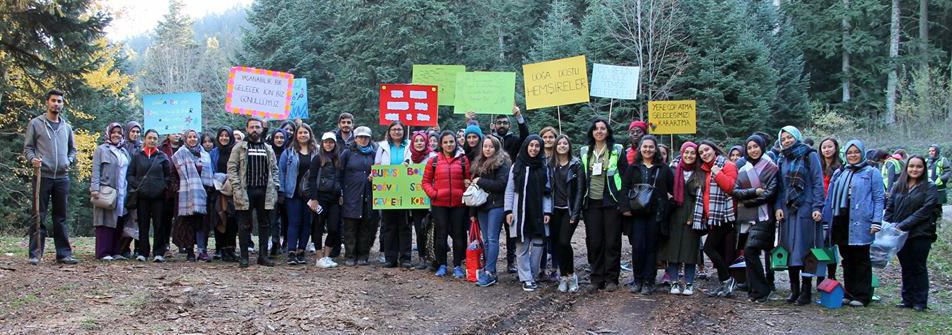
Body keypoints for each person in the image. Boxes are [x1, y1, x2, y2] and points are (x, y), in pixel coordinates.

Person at [822, 139, 883, 307]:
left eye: (856, 152)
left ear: (862, 153)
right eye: (850, 152)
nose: (853, 155)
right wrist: (826, 219)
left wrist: (876, 220)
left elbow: (878, 198)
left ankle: (862, 295)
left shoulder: (871, 172)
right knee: (847, 258)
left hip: (861, 221)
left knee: (861, 258)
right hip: (841, 220)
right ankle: (849, 292)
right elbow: (830, 198)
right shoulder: (840, 173)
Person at [24, 89, 79, 265]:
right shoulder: (35, 124)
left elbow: (73, 149)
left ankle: (63, 254)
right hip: (43, 175)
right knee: (38, 215)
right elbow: (28, 148)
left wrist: (69, 161)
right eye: (53, 100)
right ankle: (35, 254)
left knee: (60, 217)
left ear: (62, 104)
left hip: (62, 177)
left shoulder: (66, 127)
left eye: (59, 101)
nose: (56, 104)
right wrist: (33, 159)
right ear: (47, 102)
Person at [774, 126, 825, 306]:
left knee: (805, 250)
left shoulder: (809, 155)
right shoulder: (782, 158)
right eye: (783, 139)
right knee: (789, 249)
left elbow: (818, 182)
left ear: (797, 137)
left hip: (806, 208)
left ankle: (806, 290)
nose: (786, 141)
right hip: (788, 209)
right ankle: (794, 289)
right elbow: (780, 186)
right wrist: (778, 206)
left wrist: (817, 206)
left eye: (789, 137)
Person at [620, 135, 674, 295]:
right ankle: (638, 280)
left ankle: (649, 281)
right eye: (645, 146)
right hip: (636, 213)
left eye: (651, 147)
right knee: (638, 247)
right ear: (640, 148)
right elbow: (624, 188)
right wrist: (625, 208)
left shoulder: (663, 169)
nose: (648, 149)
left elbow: (672, 189)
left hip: (655, 214)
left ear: (655, 149)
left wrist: (667, 206)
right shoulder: (633, 168)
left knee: (651, 247)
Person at [579, 118, 628, 292]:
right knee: (594, 241)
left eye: (602, 128)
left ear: (608, 131)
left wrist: (623, 203)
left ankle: (611, 278)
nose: (599, 131)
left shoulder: (617, 150)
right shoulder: (584, 151)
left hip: (611, 201)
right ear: (591, 132)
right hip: (591, 201)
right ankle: (596, 277)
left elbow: (625, 176)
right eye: (596, 128)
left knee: (612, 241)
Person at [886, 155, 940, 312]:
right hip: (899, 234)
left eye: (918, 166)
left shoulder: (929, 187)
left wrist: (904, 225)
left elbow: (925, 210)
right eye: (911, 166)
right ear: (906, 168)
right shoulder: (898, 185)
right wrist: (886, 226)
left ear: (924, 169)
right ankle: (907, 299)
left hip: (921, 233)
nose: (914, 169)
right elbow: (890, 207)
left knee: (918, 266)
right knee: (906, 266)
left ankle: (920, 301)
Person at [732, 134, 779, 303]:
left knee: (752, 250)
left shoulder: (771, 168)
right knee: (749, 252)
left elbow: (770, 193)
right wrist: (754, 191)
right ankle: (756, 289)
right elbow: (736, 191)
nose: (753, 150)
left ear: (762, 147)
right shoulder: (743, 169)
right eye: (750, 147)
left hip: (765, 216)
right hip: (747, 219)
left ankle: (763, 288)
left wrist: (748, 201)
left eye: (756, 146)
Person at [228, 118, 280, 268]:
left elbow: (274, 169)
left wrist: (275, 186)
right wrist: (236, 187)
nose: (254, 130)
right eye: (252, 127)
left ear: (262, 129)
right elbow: (232, 168)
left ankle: (263, 256)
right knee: (244, 224)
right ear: (246, 129)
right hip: (246, 191)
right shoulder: (239, 147)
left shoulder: (268, 148)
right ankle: (244, 257)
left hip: (265, 191)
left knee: (265, 224)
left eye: (257, 127)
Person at [505, 135, 552, 292]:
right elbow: (510, 190)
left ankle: (531, 273)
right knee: (522, 245)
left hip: (538, 211)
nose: (534, 149)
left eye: (537, 146)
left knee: (539, 245)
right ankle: (526, 278)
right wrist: (508, 210)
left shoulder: (543, 167)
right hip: (520, 212)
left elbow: (547, 192)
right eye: (531, 145)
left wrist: (547, 211)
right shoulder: (517, 166)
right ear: (526, 146)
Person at [422, 131, 471, 278]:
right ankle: (442, 264)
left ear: (455, 142)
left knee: (458, 235)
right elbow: (425, 182)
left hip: (458, 204)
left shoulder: (463, 160)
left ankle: (457, 265)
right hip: (439, 204)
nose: (449, 145)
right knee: (441, 235)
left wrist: (464, 192)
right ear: (441, 144)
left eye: (451, 141)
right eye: (445, 142)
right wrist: (434, 194)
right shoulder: (434, 161)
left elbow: (468, 179)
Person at [694, 141, 739, 297]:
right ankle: (724, 284)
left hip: (725, 216)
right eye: (701, 153)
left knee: (709, 248)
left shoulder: (727, 165)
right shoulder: (705, 170)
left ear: (714, 149)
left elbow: (731, 187)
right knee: (719, 251)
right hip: (712, 218)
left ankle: (728, 280)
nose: (704, 154)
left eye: (707, 150)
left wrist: (718, 173)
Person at [659, 142, 702, 296]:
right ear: (682, 153)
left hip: (693, 213)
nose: (689, 156)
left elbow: (701, 197)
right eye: (686, 152)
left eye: (692, 153)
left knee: (690, 251)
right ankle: (674, 281)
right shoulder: (673, 170)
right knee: (673, 250)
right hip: (674, 213)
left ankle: (689, 283)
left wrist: (693, 217)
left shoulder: (700, 172)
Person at [470, 136, 512, 287]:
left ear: (496, 148)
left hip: (497, 205)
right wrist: (472, 213)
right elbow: (474, 188)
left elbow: (501, 185)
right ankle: (490, 269)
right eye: (485, 146)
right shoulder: (478, 163)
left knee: (493, 238)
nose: (487, 149)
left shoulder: (503, 163)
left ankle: (489, 271)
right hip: (482, 205)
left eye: (491, 146)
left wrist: (480, 181)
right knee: (486, 239)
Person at [127, 129, 172, 262]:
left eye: (154, 139)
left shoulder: (162, 157)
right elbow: (130, 174)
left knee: (159, 224)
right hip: (142, 197)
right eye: (149, 138)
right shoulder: (137, 156)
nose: (152, 141)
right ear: (145, 139)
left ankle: (158, 252)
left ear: (158, 141)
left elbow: (168, 176)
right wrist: (138, 186)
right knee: (143, 224)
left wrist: (162, 186)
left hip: (159, 197)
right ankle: (143, 252)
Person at [547, 135, 584, 292]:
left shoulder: (576, 165)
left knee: (564, 241)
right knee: (557, 244)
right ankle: (563, 276)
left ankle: (571, 275)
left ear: (569, 146)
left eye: (565, 143)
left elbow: (580, 191)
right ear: (555, 147)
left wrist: (575, 213)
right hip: (554, 210)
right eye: (559, 143)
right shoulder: (550, 165)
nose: (562, 146)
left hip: (569, 210)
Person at [172, 129, 214, 262]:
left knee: (202, 224)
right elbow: (174, 175)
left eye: (194, 137)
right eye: (189, 137)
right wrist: (177, 188)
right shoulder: (179, 154)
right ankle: (190, 250)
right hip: (186, 193)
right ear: (185, 139)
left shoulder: (205, 154)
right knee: (188, 223)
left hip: (203, 193)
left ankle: (202, 250)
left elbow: (210, 174)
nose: (192, 139)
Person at [375, 121, 413, 268]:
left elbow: (414, 163)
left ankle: (405, 258)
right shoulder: (383, 147)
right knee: (389, 225)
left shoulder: (409, 146)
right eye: (394, 129)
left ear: (404, 131)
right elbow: (377, 165)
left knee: (405, 225)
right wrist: (374, 175)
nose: (397, 132)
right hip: (387, 190)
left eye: (399, 129)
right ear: (389, 132)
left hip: (405, 189)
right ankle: (390, 258)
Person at [91, 123, 131, 260]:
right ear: (108, 133)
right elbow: (96, 170)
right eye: (113, 132)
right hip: (105, 190)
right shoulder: (101, 150)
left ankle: (116, 251)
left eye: (119, 133)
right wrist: (95, 189)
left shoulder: (124, 151)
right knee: (104, 220)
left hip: (122, 191)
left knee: (118, 219)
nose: (116, 135)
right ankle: (103, 252)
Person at [339, 126, 378, 266]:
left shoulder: (374, 154)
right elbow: (339, 173)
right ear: (355, 138)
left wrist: (375, 176)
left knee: (366, 226)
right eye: (360, 137)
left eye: (366, 137)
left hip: (368, 194)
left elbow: (380, 171)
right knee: (350, 226)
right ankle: (350, 254)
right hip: (351, 194)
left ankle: (363, 254)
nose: (363, 139)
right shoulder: (347, 153)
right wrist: (341, 191)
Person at [279, 124, 318, 265]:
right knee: (294, 222)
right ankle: (291, 251)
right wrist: (282, 190)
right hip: (293, 192)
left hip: (310, 194)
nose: (303, 135)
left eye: (305, 132)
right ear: (296, 135)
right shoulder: (288, 152)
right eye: (300, 133)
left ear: (310, 134)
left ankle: (301, 251)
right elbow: (281, 171)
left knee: (307, 223)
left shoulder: (317, 152)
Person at [309, 132, 343, 268]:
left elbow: (340, 179)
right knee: (318, 226)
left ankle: (327, 256)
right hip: (320, 197)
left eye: (331, 142)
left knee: (333, 228)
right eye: (326, 142)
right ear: (322, 143)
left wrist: (341, 194)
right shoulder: (317, 158)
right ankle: (319, 257)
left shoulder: (338, 159)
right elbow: (312, 179)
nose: (328, 144)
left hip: (334, 198)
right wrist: (314, 199)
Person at [406, 131, 437, 270]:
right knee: (419, 229)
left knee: (433, 230)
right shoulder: (409, 158)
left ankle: (434, 258)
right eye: (416, 141)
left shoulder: (433, 156)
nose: (419, 143)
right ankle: (422, 258)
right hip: (417, 201)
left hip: (433, 199)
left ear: (426, 142)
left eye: (422, 140)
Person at [210, 127, 239, 262]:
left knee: (233, 220)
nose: (224, 138)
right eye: (221, 135)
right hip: (219, 190)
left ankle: (231, 248)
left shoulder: (236, 151)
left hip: (234, 190)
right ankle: (221, 249)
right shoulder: (214, 152)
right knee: (220, 218)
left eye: (227, 135)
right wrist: (221, 179)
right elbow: (210, 170)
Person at [818, 136, 842, 281]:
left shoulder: (840, 167)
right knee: (819, 244)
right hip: (818, 208)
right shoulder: (817, 166)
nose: (827, 150)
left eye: (830, 146)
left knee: (831, 244)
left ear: (835, 148)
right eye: (824, 147)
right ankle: (820, 276)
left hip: (833, 209)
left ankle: (831, 275)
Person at [269, 128, 291, 256]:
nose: (279, 140)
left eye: (281, 137)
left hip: (287, 190)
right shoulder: (268, 152)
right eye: (276, 137)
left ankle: (287, 242)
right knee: (273, 219)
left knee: (287, 218)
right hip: (271, 190)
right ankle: (275, 243)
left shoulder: (289, 153)